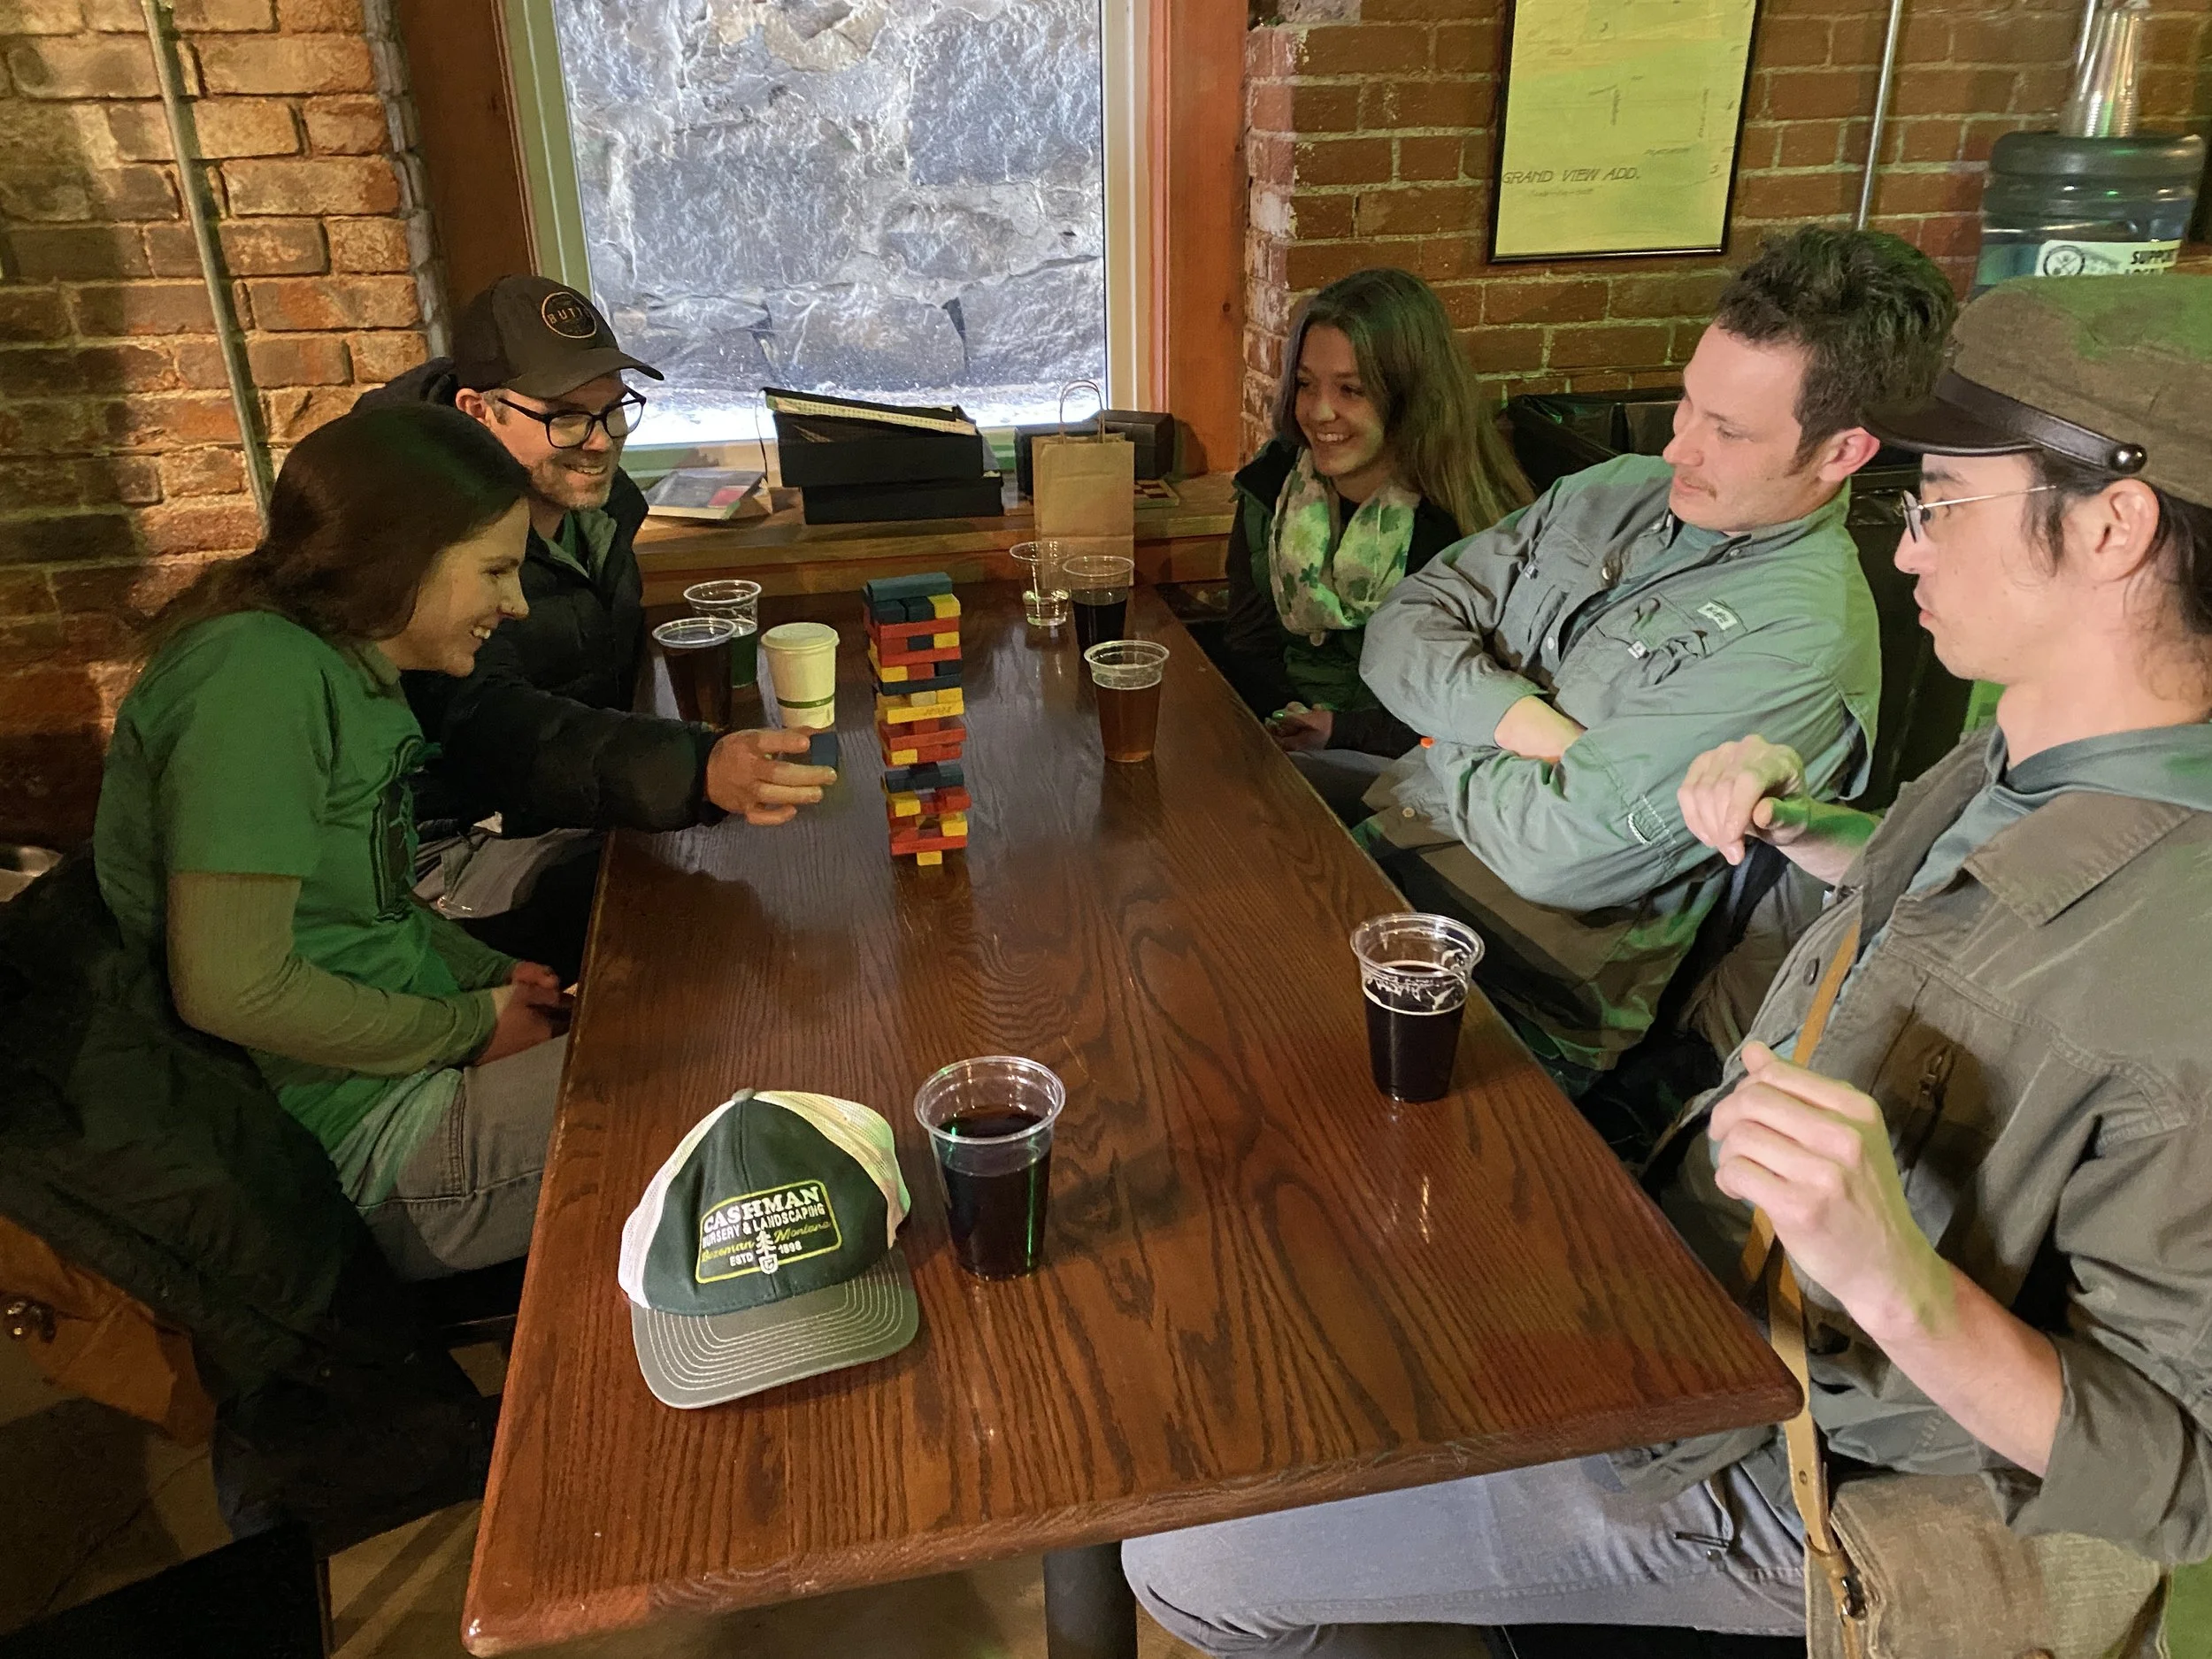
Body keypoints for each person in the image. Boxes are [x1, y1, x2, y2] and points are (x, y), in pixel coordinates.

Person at [1123, 275, 2212, 1653]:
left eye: (1939, 505)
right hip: (1683, 1272)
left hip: (1803, 1460)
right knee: (1270, 1339)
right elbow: (1961, 929)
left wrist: (1899, 1281)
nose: (1911, 551)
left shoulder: (2183, 944)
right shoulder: (2026, 758)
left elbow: (2179, 1476)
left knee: (1190, 1538)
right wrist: (1818, 834)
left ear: (2113, 525)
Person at [1353, 227, 1955, 1097]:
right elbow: (1400, 624)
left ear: (1841, 452)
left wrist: (1446, 728)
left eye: (1727, 430)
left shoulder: (1801, 643)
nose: (1678, 447)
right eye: (1685, 404)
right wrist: (1527, 726)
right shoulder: (1613, 490)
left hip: (1511, 1002)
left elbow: (1556, 854)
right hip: (1383, 860)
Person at [94, 403, 577, 1281]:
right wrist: (466, 1025)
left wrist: (480, 974)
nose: (514, 603)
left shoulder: (341, 661)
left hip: (406, 1078)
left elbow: (368, 892)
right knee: (719, 1093)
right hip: (371, 1146)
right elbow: (229, 987)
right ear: (402, 557)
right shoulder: (256, 682)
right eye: (497, 571)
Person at [356, 276, 832, 980]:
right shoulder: (423, 548)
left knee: (770, 877)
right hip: (453, 853)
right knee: (712, 927)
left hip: (566, 809)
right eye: (566, 417)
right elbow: (493, 729)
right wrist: (694, 768)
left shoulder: (598, 507)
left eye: (614, 411)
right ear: (476, 411)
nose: (600, 441)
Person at [1217, 266, 1530, 818]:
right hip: (1281, 752)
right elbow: (1249, 642)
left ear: (1412, 397)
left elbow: (1483, 699)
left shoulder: (1470, 525)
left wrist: (1343, 730)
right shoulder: (1270, 488)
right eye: (1307, 384)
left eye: (1352, 390)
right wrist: (1279, 722)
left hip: (1425, 780)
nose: (1319, 412)